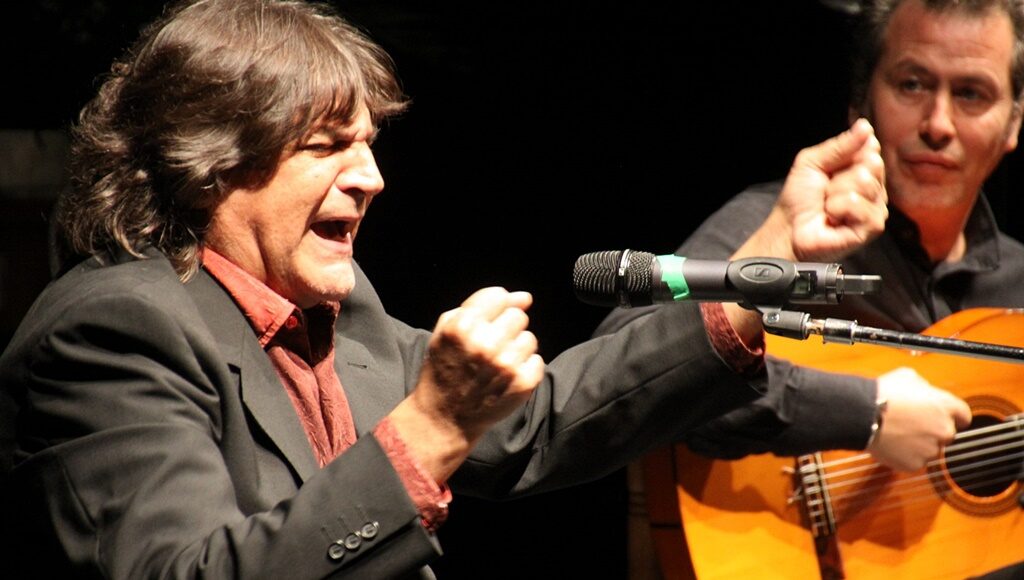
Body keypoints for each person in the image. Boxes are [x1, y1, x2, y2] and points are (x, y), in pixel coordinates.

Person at [0, 0, 898, 578]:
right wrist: (428, 426)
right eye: (328, 147)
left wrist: (769, 257)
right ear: (208, 169)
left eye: (369, 146)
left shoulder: (334, 311)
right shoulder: (113, 330)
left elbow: (544, 420)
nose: (372, 178)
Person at [597, 0, 1024, 577]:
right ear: (860, 104)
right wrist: (862, 413)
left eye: (972, 94)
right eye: (912, 84)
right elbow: (626, 373)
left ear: (1013, 123)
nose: (938, 124)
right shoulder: (789, 230)